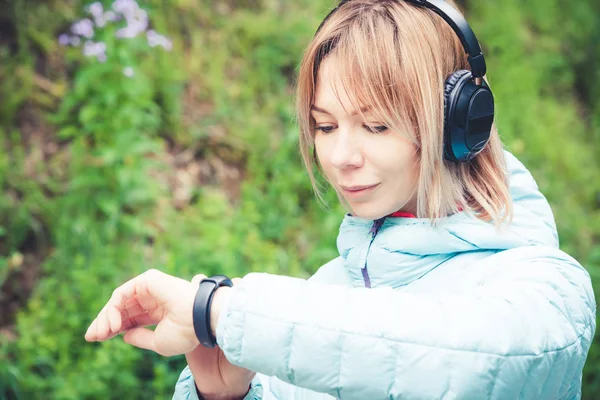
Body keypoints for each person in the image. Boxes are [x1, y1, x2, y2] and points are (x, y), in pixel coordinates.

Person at [84, 0, 596, 399]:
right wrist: (225, 392)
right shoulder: (327, 293)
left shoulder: (546, 289)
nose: (340, 155)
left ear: (459, 125)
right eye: (325, 125)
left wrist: (221, 311)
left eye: (375, 125)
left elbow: (463, 361)